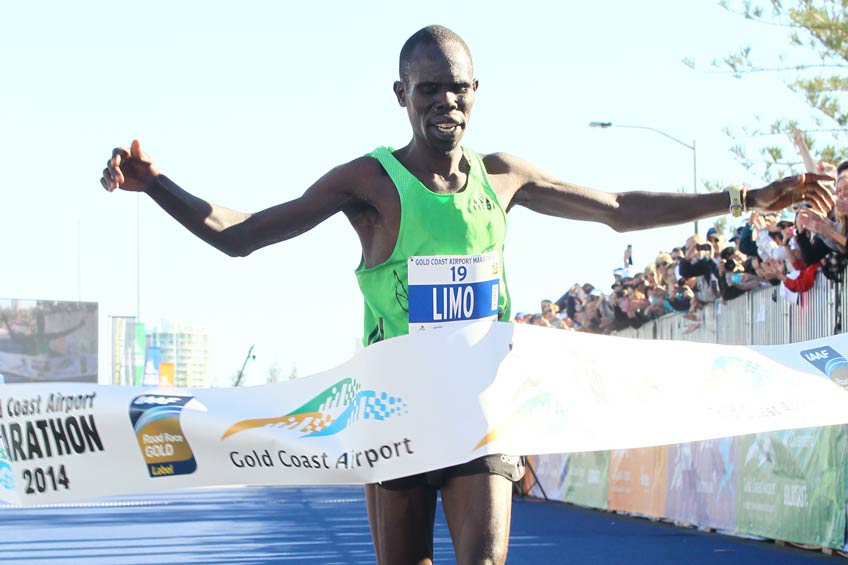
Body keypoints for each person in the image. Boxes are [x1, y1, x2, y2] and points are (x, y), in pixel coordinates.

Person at [100, 24, 835, 565]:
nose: (445, 103)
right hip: (394, 408)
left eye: (458, 88)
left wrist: (745, 195)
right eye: (428, 90)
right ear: (402, 96)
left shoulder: (503, 176)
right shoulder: (372, 182)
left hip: (482, 411)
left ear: (476, 93)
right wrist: (154, 184)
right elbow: (243, 234)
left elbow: (617, 206)